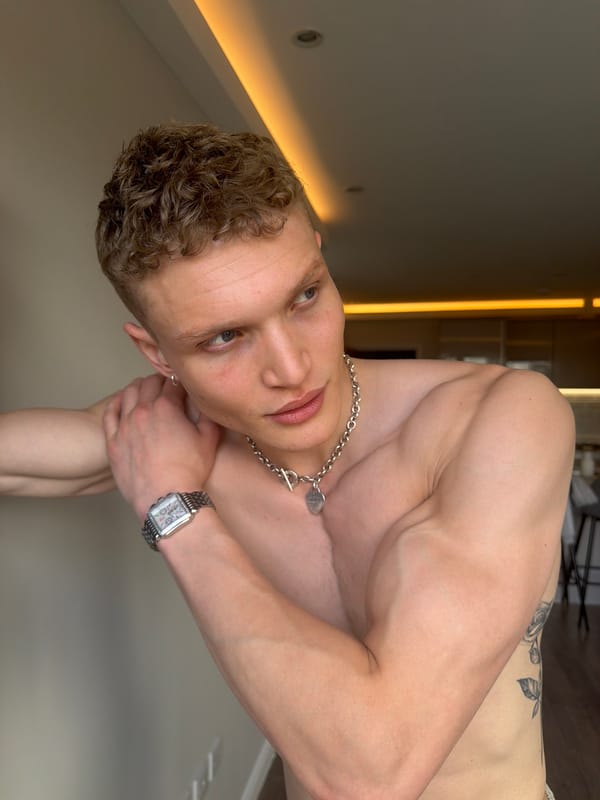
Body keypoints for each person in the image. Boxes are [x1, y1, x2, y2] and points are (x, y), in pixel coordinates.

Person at [0, 123, 573, 800]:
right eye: (224, 337)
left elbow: (374, 773)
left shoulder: (497, 419)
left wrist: (174, 510)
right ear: (157, 355)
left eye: (304, 296)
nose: (292, 368)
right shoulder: (180, 435)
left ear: (321, 261)